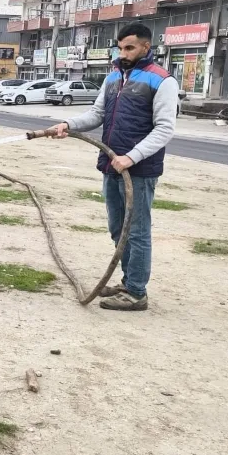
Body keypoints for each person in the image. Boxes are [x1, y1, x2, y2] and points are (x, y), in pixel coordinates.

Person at [48, 23, 179, 312]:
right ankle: (128, 281)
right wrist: (68, 125)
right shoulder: (113, 78)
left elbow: (164, 129)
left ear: (146, 47)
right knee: (117, 228)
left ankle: (136, 293)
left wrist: (132, 157)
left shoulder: (162, 81)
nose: (123, 53)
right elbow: (97, 114)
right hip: (111, 165)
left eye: (129, 47)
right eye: (120, 48)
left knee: (138, 231)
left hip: (138, 170)